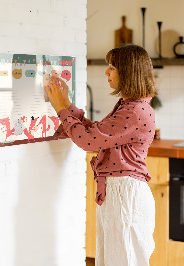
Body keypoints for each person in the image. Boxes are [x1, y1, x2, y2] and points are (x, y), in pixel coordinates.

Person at [45, 44, 157, 266]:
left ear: (128, 72)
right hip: (120, 193)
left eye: (112, 67)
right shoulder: (130, 106)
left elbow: (88, 141)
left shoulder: (134, 111)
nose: (106, 72)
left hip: (125, 195)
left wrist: (60, 108)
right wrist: (67, 104)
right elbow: (96, 133)